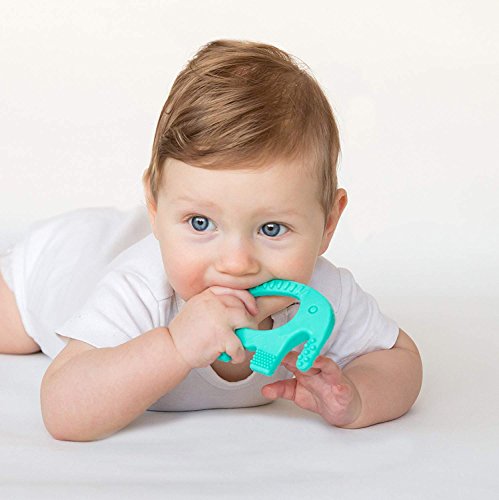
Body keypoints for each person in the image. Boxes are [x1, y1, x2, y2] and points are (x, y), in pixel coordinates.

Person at [0, 39, 422, 441]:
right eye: (200, 223)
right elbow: (62, 411)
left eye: (271, 229)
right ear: (155, 206)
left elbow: (399, 358)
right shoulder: (142, 290)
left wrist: (356, 396)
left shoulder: (324, 297)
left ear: (328, 223)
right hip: (68, 261)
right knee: (13, 335)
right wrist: (175, 347)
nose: (236, 263)